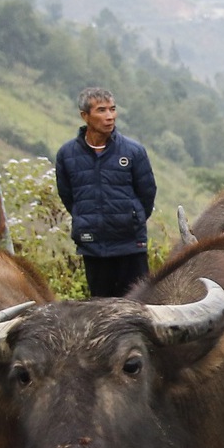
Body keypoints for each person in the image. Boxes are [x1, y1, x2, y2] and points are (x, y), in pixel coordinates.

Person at [55, 87, 156, 298]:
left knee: (138, 305)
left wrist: (132, 218)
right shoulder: (67, 155)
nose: (109, 116)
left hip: (130, 244)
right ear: (85, 116)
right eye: (101, 110)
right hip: (93, 245)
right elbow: (68, 196)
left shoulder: (133, 151)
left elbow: (147, 193)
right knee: (101, 306)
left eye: (112, 109)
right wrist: (87, 219)